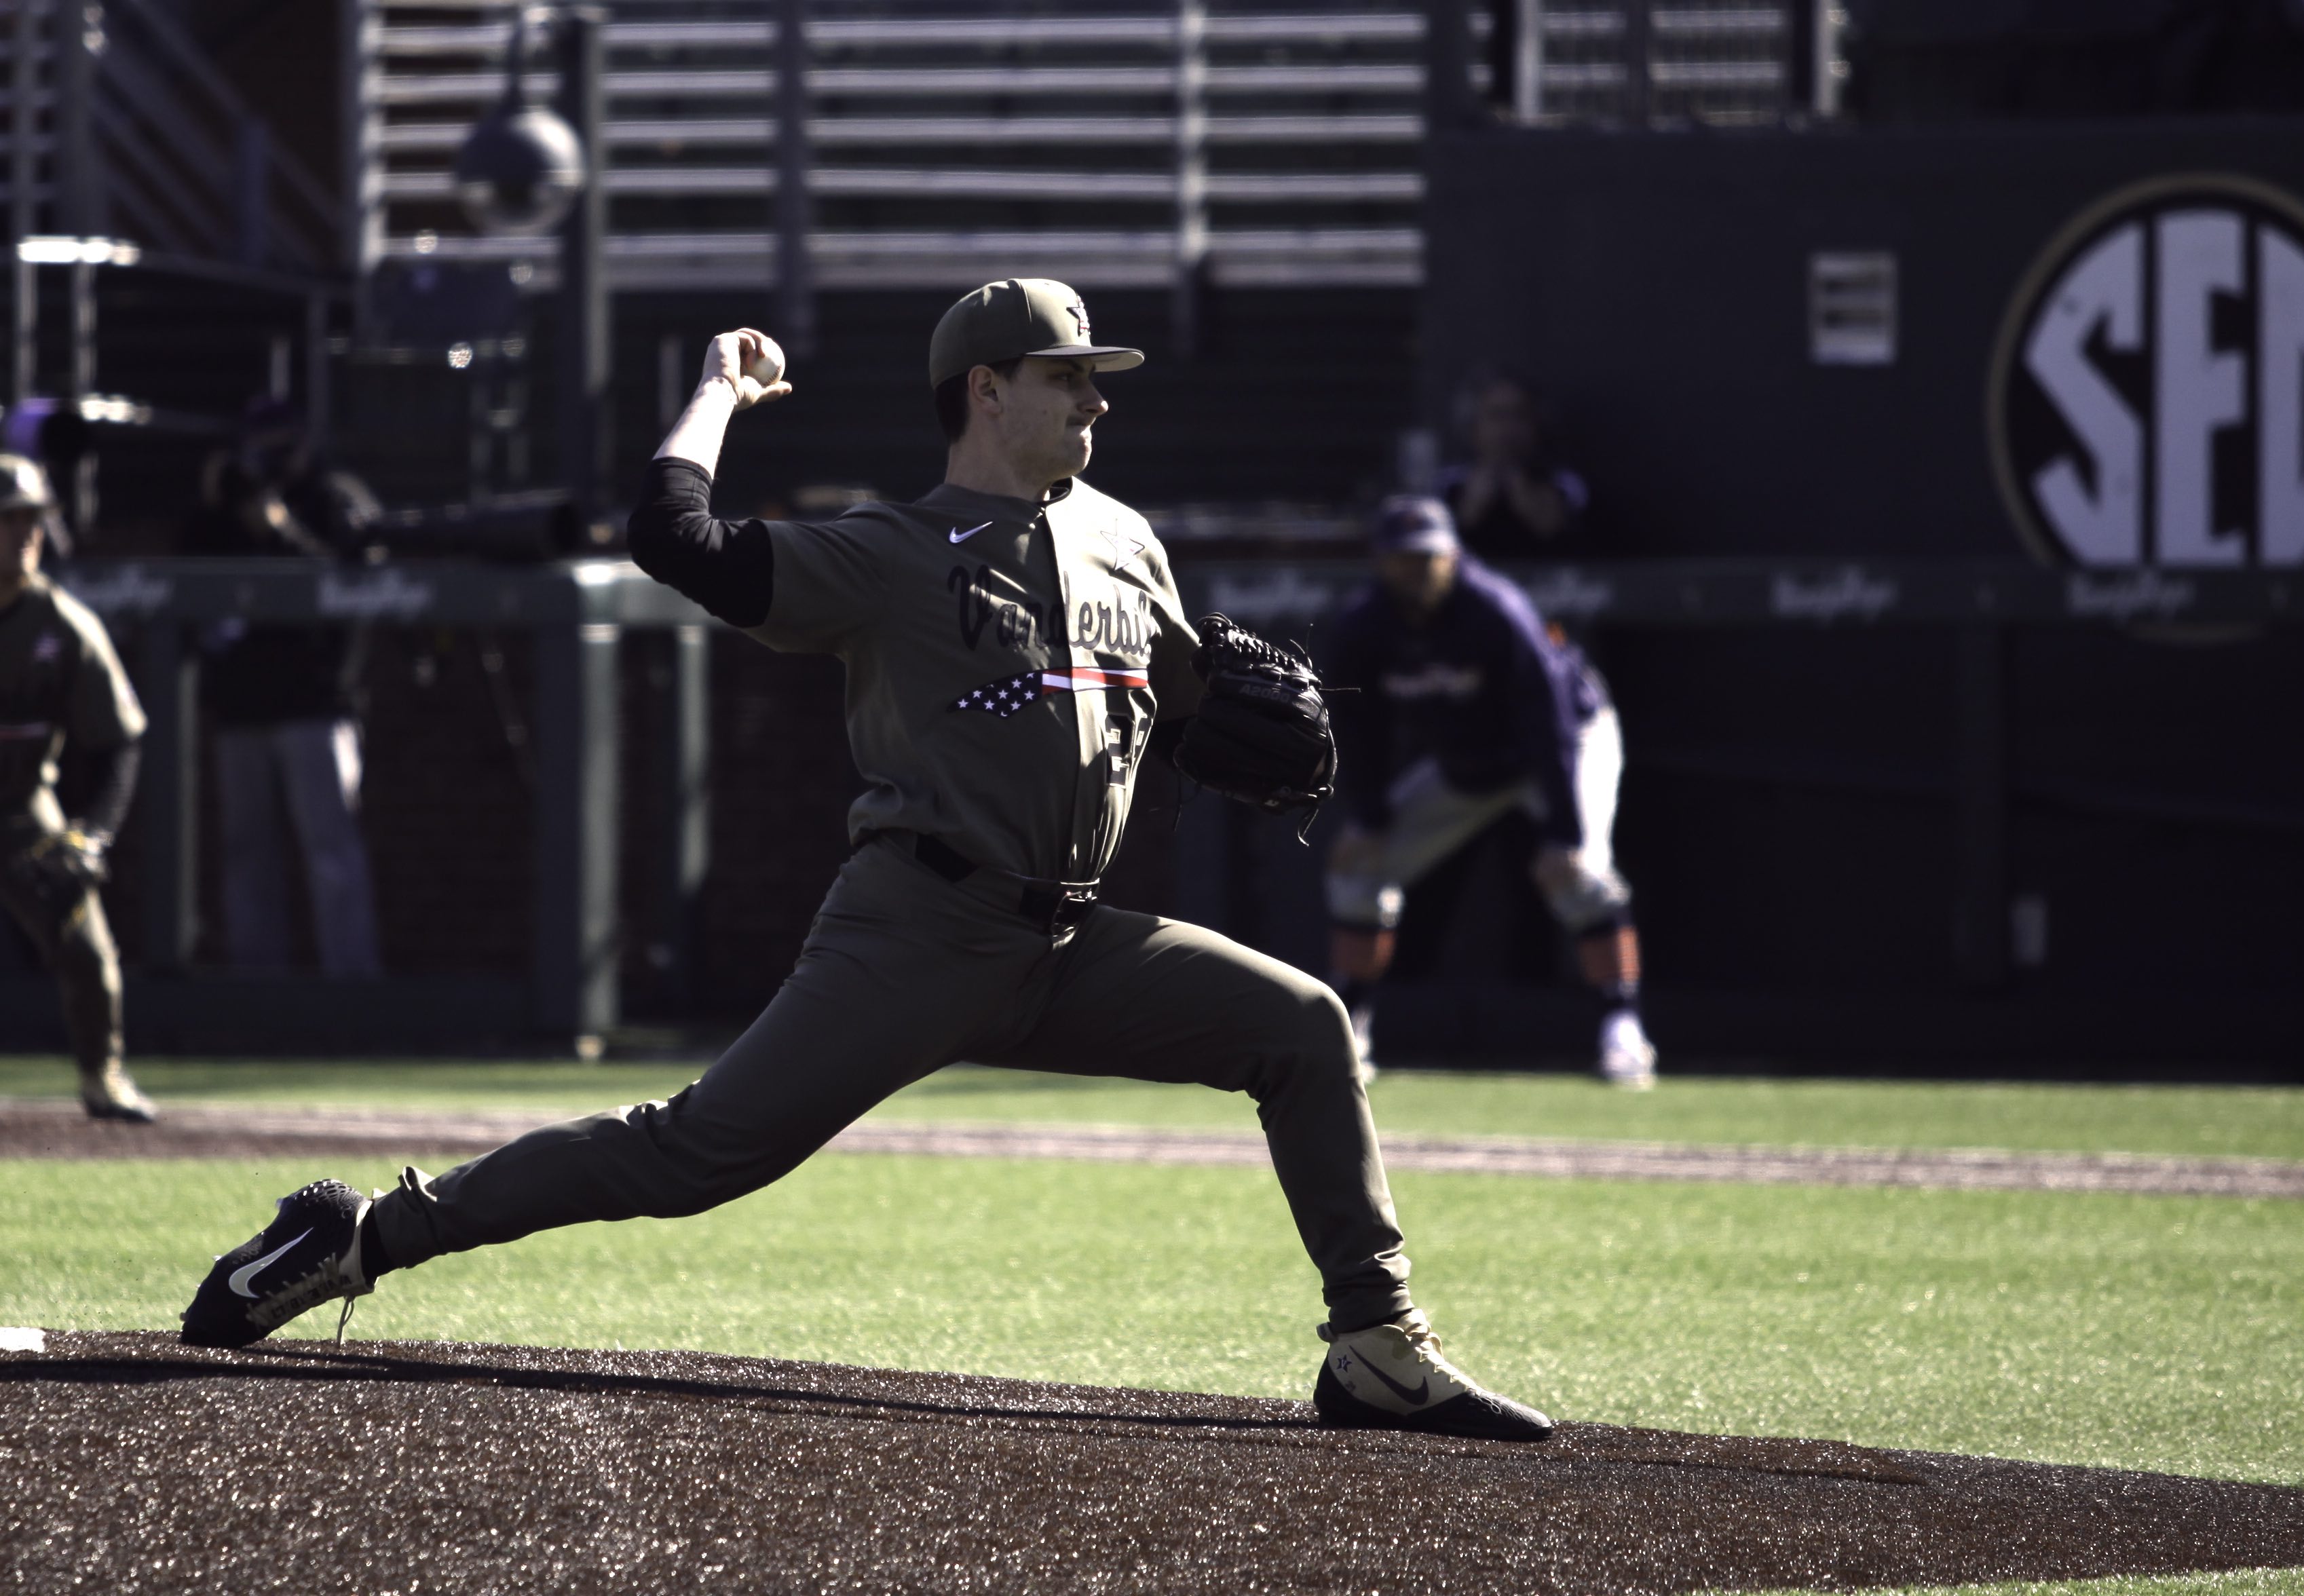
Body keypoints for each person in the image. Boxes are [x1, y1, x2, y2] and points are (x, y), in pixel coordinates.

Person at [179, 279, 1555, 1444]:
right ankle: (365, 1235)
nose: (1098, 401)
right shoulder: (889, 552)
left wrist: (1231, 708)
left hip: (1068, 942)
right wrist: (720, 390)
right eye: (1069, 377)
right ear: (986, 390)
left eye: (1098, 381)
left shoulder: (1128, 539)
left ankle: (1374, 1343)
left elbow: (1189, 701)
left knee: (1304, 1026)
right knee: (689, 1154)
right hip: (916, 928)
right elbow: (678, 541)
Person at [1324, 495, 1656, 1088]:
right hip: (1469, 764)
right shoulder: (1364, 627)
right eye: (1403, 558)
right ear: (1380, 562)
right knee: (1358, 871)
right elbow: (1359, 727)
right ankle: (1353, 1028)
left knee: (1580, 874)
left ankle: (1623, 1032)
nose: (1416, 570)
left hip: (1564, 742)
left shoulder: (1497, 610)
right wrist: (1368, 816)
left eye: (1428, 557)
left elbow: (1549, 724)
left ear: (1453, 556)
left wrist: (1564, 832)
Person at [183, 397, 383, 976]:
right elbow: (187, 570)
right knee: (247, 855)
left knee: (332, 850)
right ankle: (257, 988)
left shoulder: (332, 497)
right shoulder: (224, 508)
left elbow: (354, 578)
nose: (269, 464)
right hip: (242, 708)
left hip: (315, 706)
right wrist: (217, 503)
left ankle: (353, 988)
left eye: (281, 449)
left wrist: (281, 530)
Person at [0, 455, 154, 1121]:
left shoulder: (62, 624)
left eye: (34, 522)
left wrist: (92, 834)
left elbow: (119, 740)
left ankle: (102, 1075)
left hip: (21, 807)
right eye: (9, 522)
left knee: (86, 945)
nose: (25, 535)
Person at [1435, 371, 1593, 560]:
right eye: (1497, 416)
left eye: (1520, 415)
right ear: (1474, 426)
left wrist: (1531, 499)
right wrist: (1469, 509)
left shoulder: (1566, 484)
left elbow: (1578, 544)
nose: (1509, 428)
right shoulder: (1448, 486)